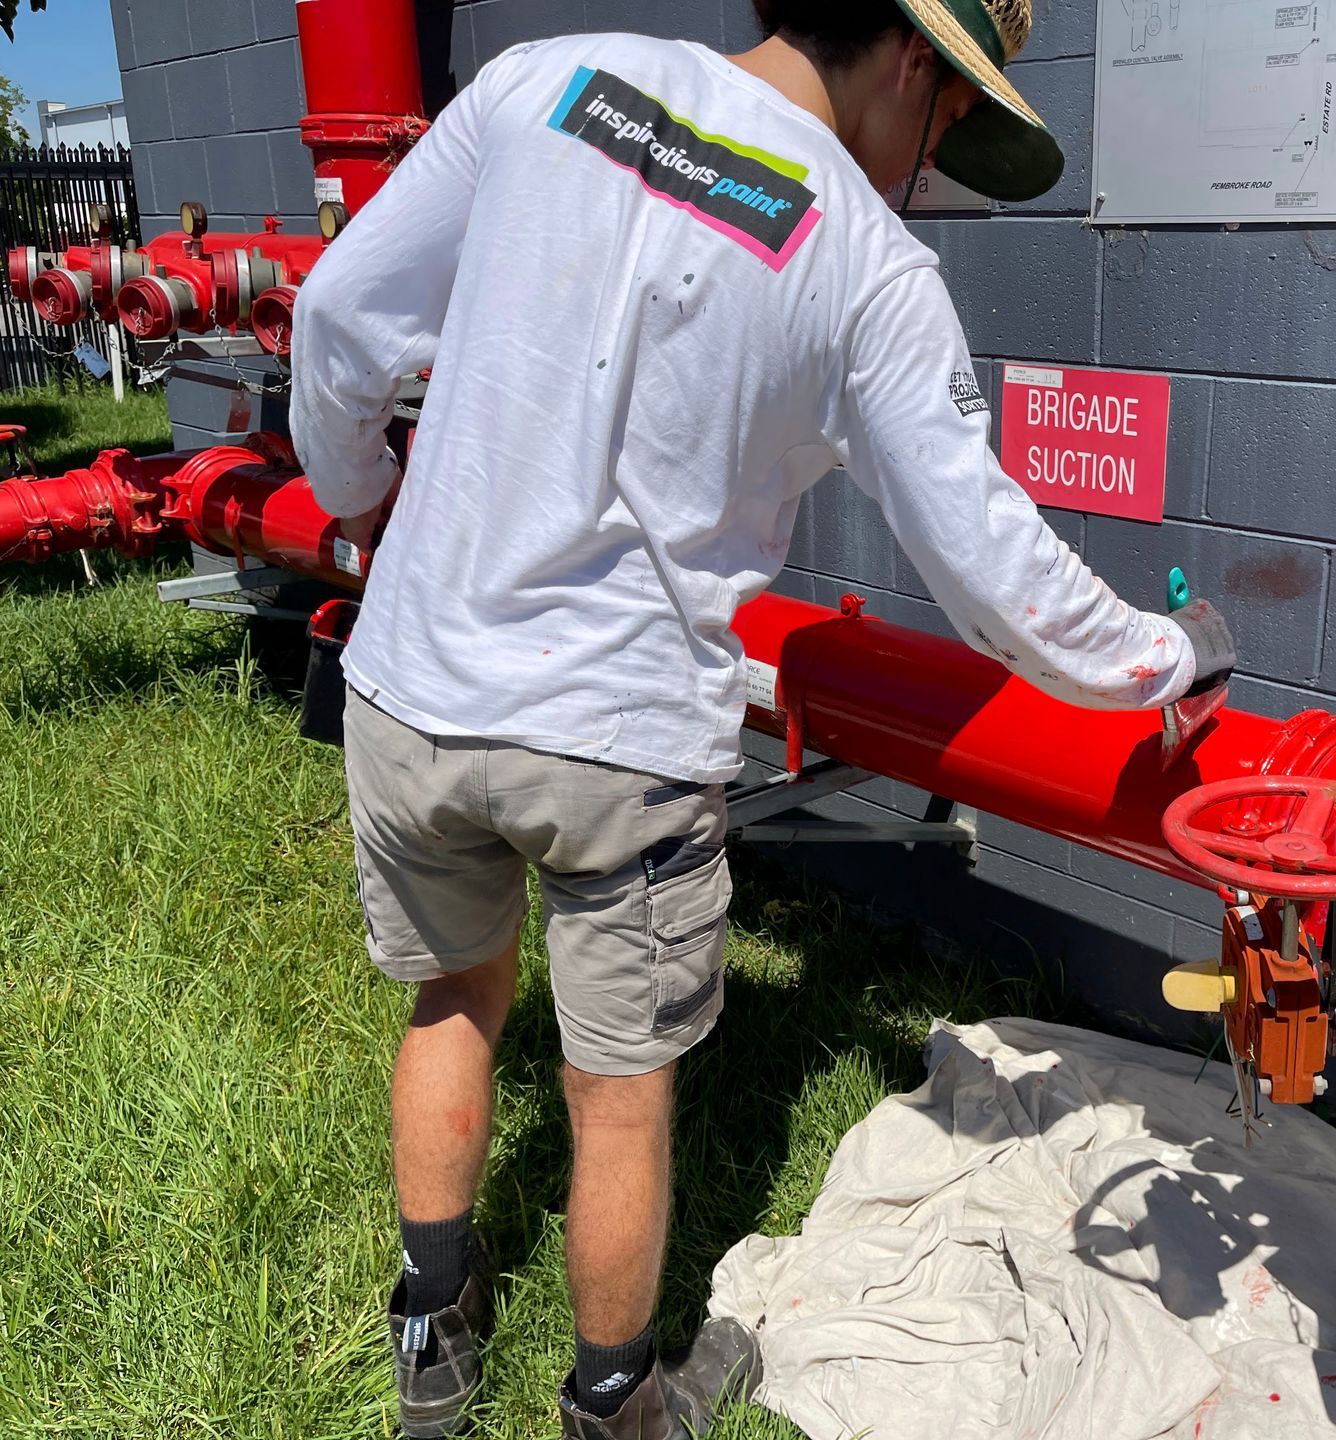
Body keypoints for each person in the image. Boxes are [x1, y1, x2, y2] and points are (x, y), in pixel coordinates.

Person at [290, 1, 1236, 1436]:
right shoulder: (866, 260)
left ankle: (433, 1341)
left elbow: (341, 317)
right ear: (915, 60)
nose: (926, 175)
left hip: (415, 688)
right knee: (616, 1094)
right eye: (946, 134)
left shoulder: (548, 82)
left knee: (454, 998)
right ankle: (617, 1401)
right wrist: (1163, 656)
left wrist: (354, 484)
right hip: (615, 734)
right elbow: (995, 580)